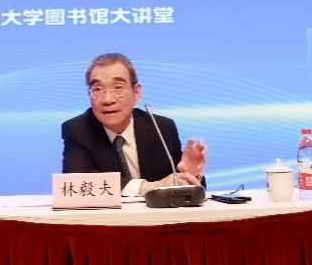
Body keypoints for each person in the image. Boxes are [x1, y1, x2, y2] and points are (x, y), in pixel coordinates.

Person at [61, 52, 207, 196]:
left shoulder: (161, 127)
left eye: (118, 87)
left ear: (136, 92)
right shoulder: (77, 130)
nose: (107, 99)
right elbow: (76, 182)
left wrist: (191, 174)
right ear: (89, 95)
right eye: (97, 89)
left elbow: (182, 186)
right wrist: (148, 187)